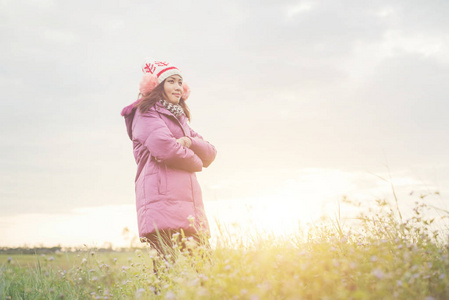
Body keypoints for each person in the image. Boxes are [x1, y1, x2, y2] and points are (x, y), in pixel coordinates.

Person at [121, 59, 217, 256]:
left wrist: (189, 142)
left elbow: (210, 153)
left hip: (189, 208)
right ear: (157, 86)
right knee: (166, 274)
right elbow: (166, 149)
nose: (178, 87)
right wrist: (195, 162)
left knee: (203, 274)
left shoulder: (179, 120)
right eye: (171, 81)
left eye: (180, 82)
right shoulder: (145, 113)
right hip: (162, 204)